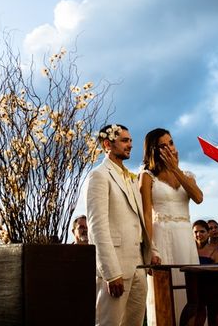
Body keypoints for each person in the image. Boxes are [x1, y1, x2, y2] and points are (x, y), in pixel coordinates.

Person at [86, 123, 159, 326]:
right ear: (108, 144)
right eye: (125, 140)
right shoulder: (99, 176)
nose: (130, 145)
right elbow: (97, 227)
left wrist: (151, 249)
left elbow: (139, 219)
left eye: (131, 141)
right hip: (116, 267)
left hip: (138, 266)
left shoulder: (131, 177)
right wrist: (110, 272)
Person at [139, 128, 203, 325]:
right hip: (162, 237)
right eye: (163, 146)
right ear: (153, 150)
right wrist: (149, 250)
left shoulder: (188, 175)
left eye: (171, 143)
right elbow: (146, 215)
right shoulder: (147, 176)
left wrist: (175, 169)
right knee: (165, 296)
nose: (170, 148)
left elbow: (198, 198)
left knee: (190, 292)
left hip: (185, 238)